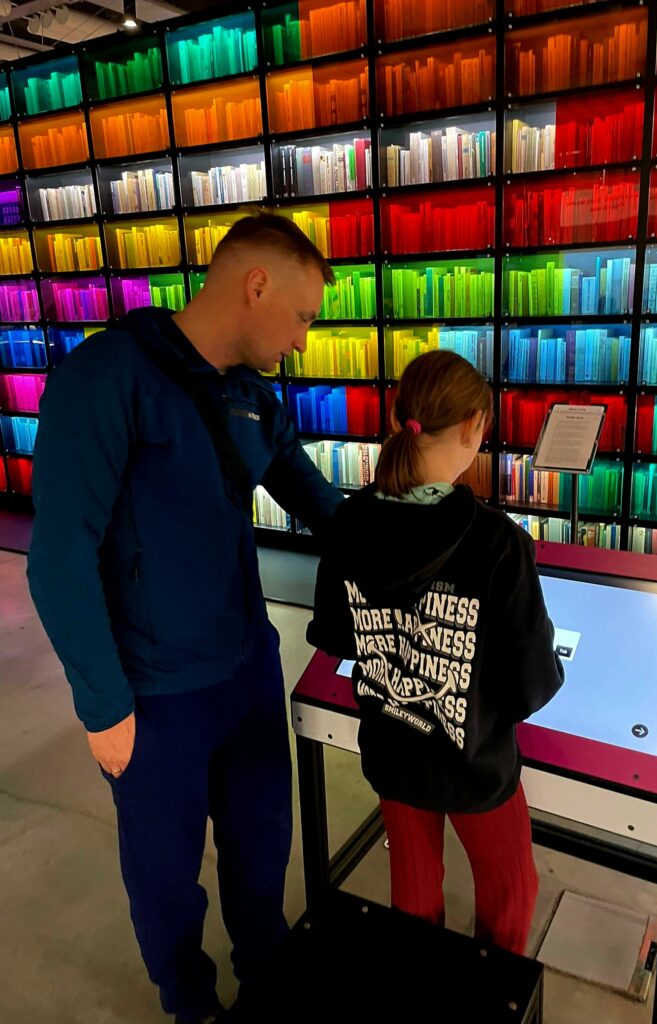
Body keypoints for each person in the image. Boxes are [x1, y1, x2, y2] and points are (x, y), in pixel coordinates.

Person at [27, 215, 344, 1023]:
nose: (303, 341)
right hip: (155, 688)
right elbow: (59, 555)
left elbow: (323, 507)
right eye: (303, 317)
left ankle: (266, 975)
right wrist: (103, 705)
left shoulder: (250, 396)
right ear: (256, 285)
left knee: (262, 843)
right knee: (165, 872)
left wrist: (435, 532)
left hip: (246, 667)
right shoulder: (106, 378)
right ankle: (190, 1002)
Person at [307, 350, 564, 955]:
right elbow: (530, 683)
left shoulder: (348, 521)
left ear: (400, 418)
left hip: (391, 748)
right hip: (474, 764)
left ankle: (419, 989)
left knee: (414, 886)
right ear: (475, 426)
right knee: (510, 890)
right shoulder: (499, 542)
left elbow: (336, 636)